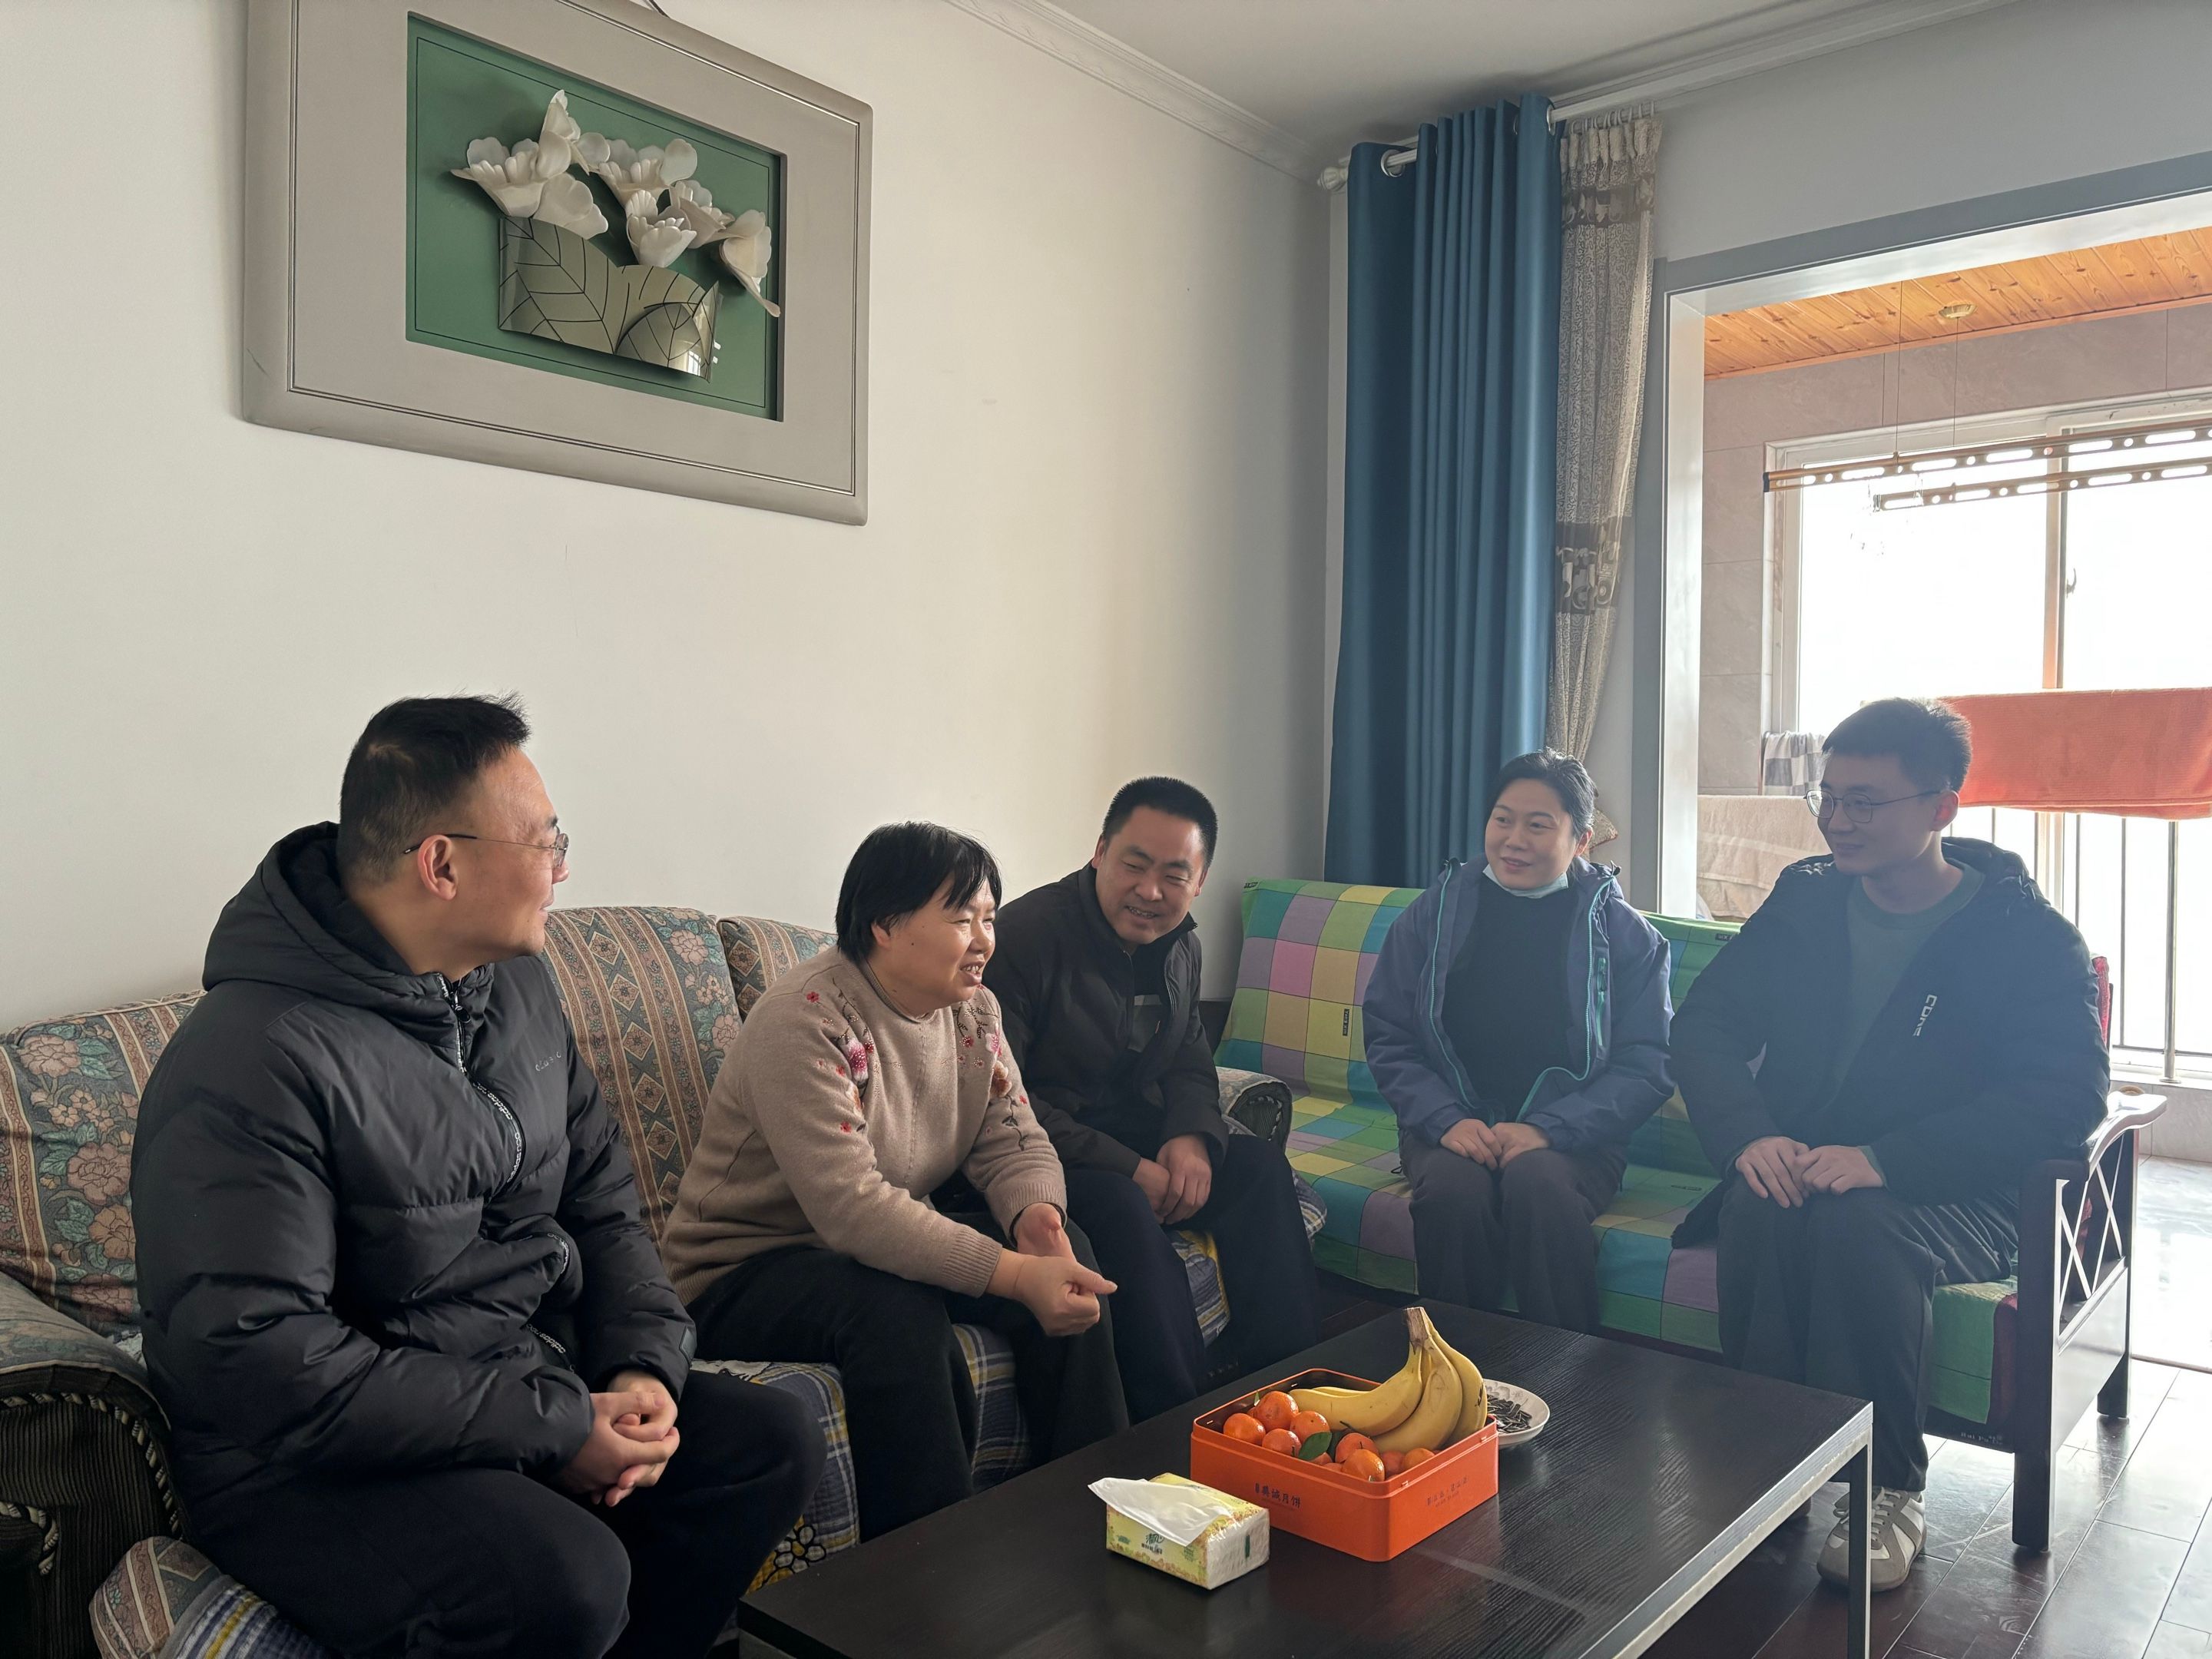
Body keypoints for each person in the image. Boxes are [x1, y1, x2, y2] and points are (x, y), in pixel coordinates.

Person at [132, 696, 823, 1659]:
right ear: (442, 864)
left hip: (508, 1378)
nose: (563, 868)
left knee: (770, 1442)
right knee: (567, 1578)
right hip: (298, 1463)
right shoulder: (251, 1057)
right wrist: (554, 1427)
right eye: (546, 842)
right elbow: (265, 1360)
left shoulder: (519, 990)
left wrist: (638, 1369)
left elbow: (604, 1202)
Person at [1673, 697, 2107, 1593]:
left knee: (1858, 1224)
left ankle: (1889, 1487)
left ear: (1942, 807)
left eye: (1865, 802)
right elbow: (1706, 1024)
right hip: (1812, 1158)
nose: (1838, 821)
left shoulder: (2025, 937)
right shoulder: (1806, 901)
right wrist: (1749, 1135)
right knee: (1762, 1199)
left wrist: (1887, 1161)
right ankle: (1770, 1461)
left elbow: (2065, 1098)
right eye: (1829, 798)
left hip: (1963, 1185)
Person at [664, 822, 1128, 1538]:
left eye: (990, 918)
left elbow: (1012, 1136)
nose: (984, 941)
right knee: (894, 1314)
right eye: (962, 919)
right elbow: (853, 1207)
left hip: (858, 1251)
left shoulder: (974, 1011)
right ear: (885, 924)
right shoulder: (807, 1020)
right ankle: (923, 1570)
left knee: (1073, 1256)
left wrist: (1039, 1222)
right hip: (742, 1269)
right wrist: (1011, 1275)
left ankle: (1096, 1516)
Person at [987, 779, 1320, 1421]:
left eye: (1174, 875)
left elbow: (1191, 1056)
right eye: (1133, 865)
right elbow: (1003, 1099)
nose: (1150, 891)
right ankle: (1176, 1429)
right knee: (1120, 1206)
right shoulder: (1025, 938)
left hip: (1131, 1135)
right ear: (1099, 853)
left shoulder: (1181, 945)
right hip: (1041, 1152)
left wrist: (1192, 1135)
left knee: (1258, 1169)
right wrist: (1128, 1166)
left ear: (1199, 882)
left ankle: (1292, 1402)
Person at [1363, 750, 1675, 1334]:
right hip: (1450, 1125)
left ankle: (1562, 1374)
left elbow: (1648, 1064)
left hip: (1578, 1139)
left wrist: (1549, 1130)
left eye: (1538, 825)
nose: (1513, 840)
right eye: (1502, 819)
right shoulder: (1436, 913)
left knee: (1539, 1186)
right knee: (1453, 1194)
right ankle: (1458, 1373)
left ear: (1581, 840)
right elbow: (1389, 1033)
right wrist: (1445, 1120)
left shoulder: (1624, 934)